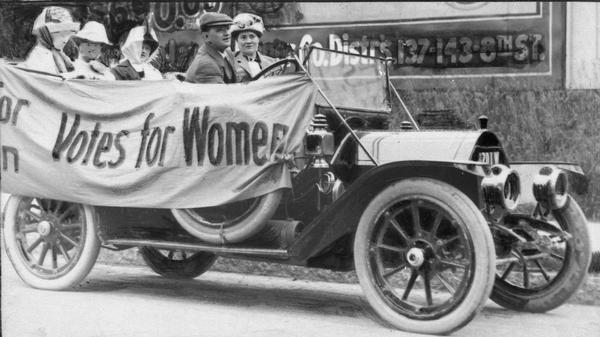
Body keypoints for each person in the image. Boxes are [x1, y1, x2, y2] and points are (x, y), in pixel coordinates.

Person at [20, 6, 80, 75]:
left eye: (67, 34)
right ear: (46, 34)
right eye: (59, 33)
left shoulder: (60, 54)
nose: (65, 40)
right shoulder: (41, 56)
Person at [185, 12, 238, 84]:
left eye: (228, 28)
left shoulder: (227, 52)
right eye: (220, 30)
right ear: (206, 37)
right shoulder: (207, 65)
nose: (227, 33)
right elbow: (222, 94)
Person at [230, 13, 277, 82]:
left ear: (258, 39)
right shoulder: (230, 63)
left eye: (252, 36)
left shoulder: (272, 63)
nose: (248, 41)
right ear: (237, 40)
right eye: (243, 37)